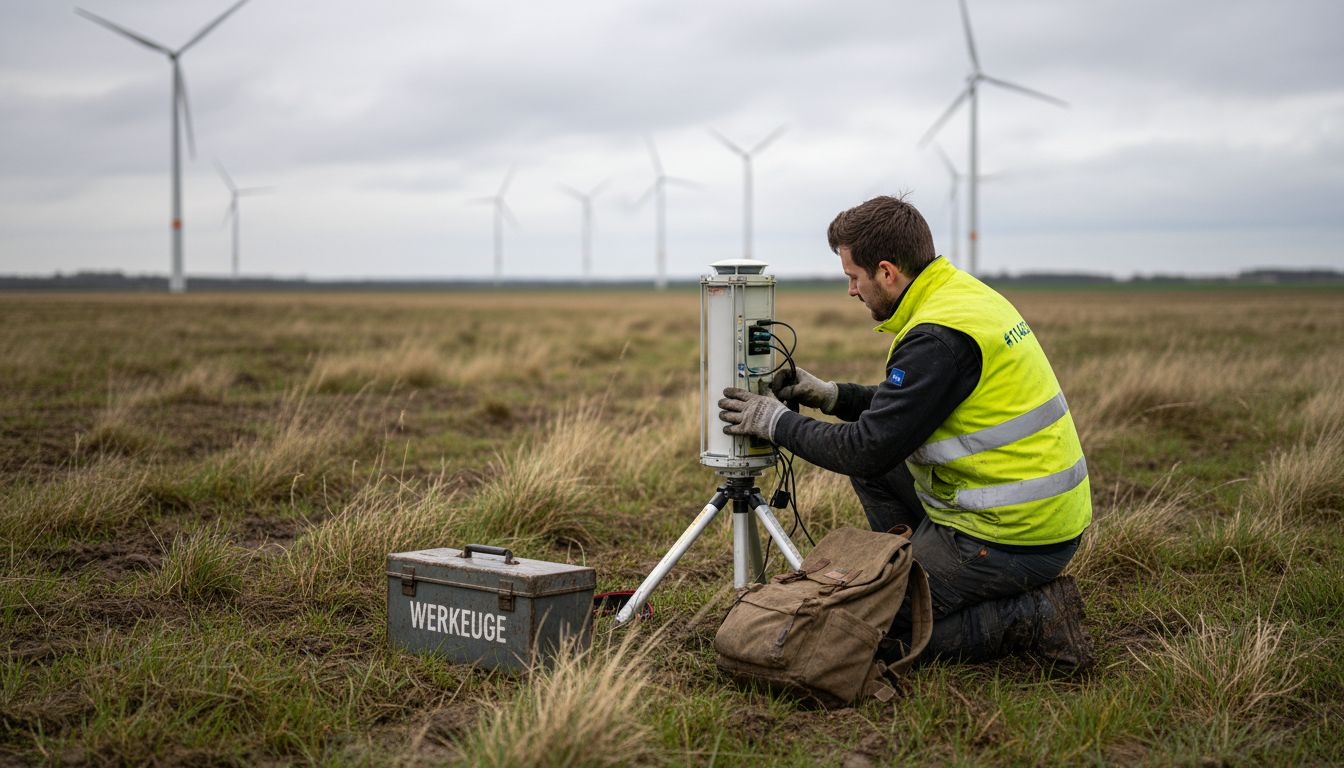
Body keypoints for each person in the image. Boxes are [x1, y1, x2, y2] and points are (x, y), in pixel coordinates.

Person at [717, 195, 1095, 673]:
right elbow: (913, 409)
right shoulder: (959, 296)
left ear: (887, 271)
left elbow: (866, 450)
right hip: (1030, 516)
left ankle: (1032, 615)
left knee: (864, 629)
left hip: (1011, 536)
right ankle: (909, 572)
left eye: (854, 278)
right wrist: (834, 396)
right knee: (876, 462)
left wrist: (774, 421)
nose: (852, 291)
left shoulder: (937, 335)